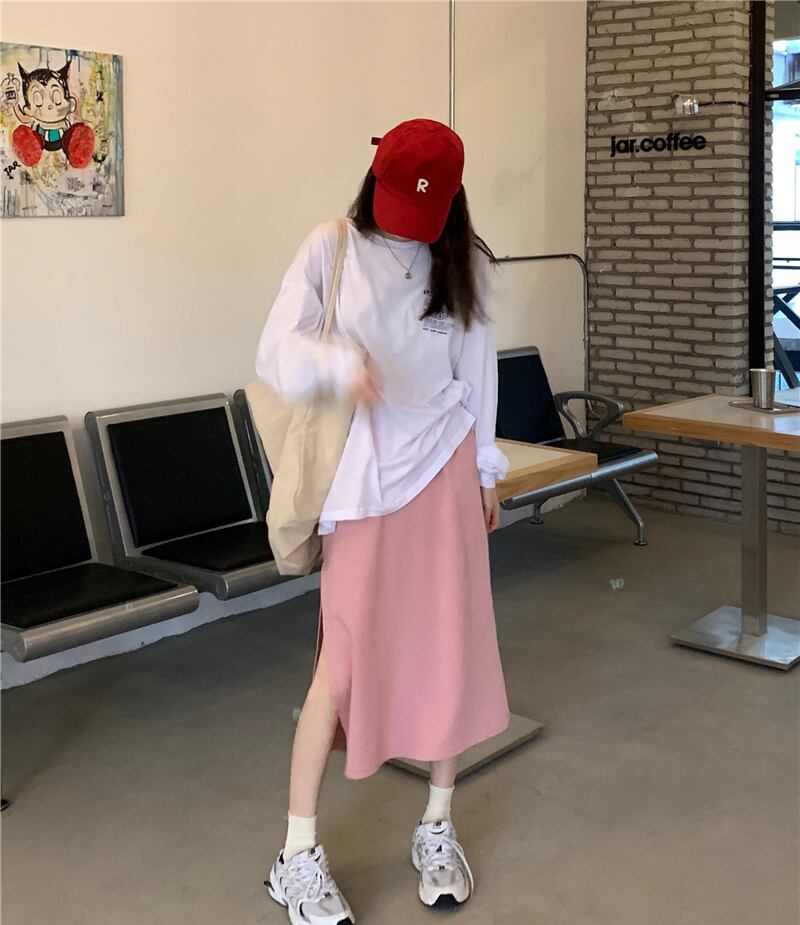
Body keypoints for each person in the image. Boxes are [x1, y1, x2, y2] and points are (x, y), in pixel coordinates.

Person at [256, 117, 510, 925]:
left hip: (444, 470)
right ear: (376, 182)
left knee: (448, 647)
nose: (411, 224)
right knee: (341, 664)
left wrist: (486, 471)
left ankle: (437, 824)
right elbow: (274, 351)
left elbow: (477, 373)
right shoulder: (331, 247)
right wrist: (340, 363)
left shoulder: (466, 261)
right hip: (361, 482)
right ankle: (296, 854)